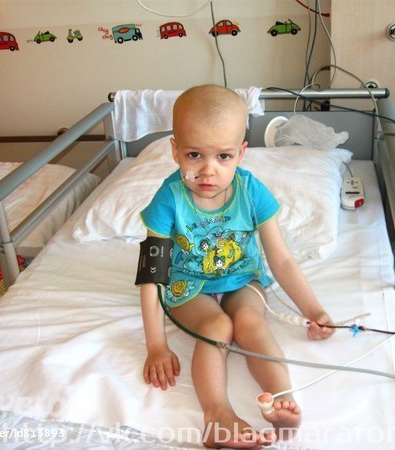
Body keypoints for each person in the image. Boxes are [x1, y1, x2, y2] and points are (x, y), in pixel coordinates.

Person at [139, 84, 334, 448]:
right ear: (175, 151)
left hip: (243, 280)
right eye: (194, 155)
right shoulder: (169, 198)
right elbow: (152, 276)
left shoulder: (251, 191)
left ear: (241, 153)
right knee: (217, 326)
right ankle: (217, 416)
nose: (208, 170)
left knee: (248, 321)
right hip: (188, 285)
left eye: (223, 157)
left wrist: (314, 310)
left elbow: (281, 259)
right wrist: (156, 346)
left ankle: (281, 400)